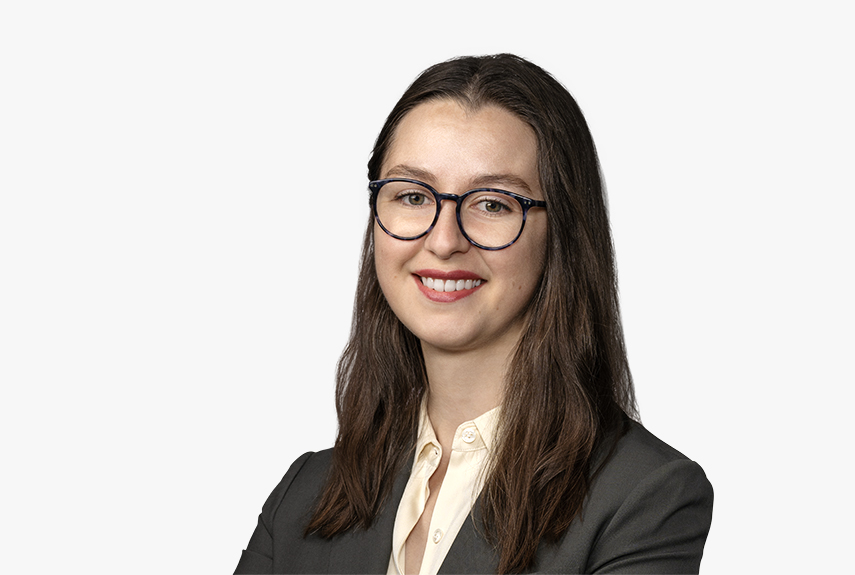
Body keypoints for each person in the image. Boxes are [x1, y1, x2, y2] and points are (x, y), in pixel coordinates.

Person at [234, 53, 713, 574]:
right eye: (412, 196)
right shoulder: (301, 495)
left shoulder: (644, 496)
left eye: (492, 204)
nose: (443, 241)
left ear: (564, 232)